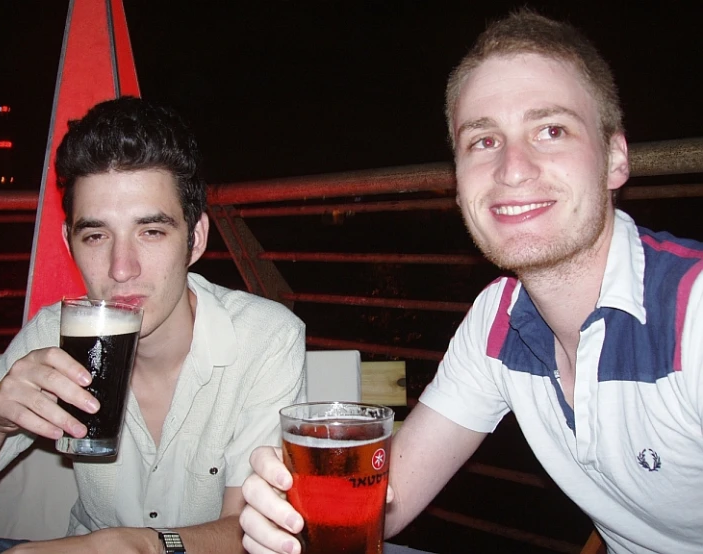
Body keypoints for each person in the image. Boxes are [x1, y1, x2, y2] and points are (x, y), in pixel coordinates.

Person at [238, 9, 703, 554]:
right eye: (484, 141)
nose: (512, 168)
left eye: (551, 130)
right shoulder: (499, 320)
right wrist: (291, 512)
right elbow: (390, 500)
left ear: (616, 160)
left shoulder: (689, 316)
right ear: (457, 185)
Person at [0, 96, 306, 553]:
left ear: (196, 239)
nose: (121, 268)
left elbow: (249, 530)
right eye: (96, 235)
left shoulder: (266, 339)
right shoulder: (55, 336)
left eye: (151, 231)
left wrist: (137, 547)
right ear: (70, 244)